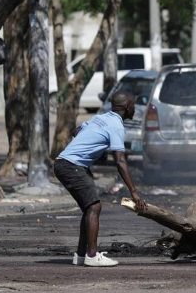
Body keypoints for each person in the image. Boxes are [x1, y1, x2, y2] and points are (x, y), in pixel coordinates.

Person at [53, 92, 147, 267]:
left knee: (89, 208)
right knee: (94, 206)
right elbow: (120, 160)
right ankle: (92, 255)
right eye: (133, 105)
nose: (134, 108)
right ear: (127, 107)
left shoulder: (100, 118)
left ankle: (81, 255)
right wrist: (134, 192)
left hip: (63, 162)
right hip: (71, 165)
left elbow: (77, 131)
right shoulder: (116, 126)